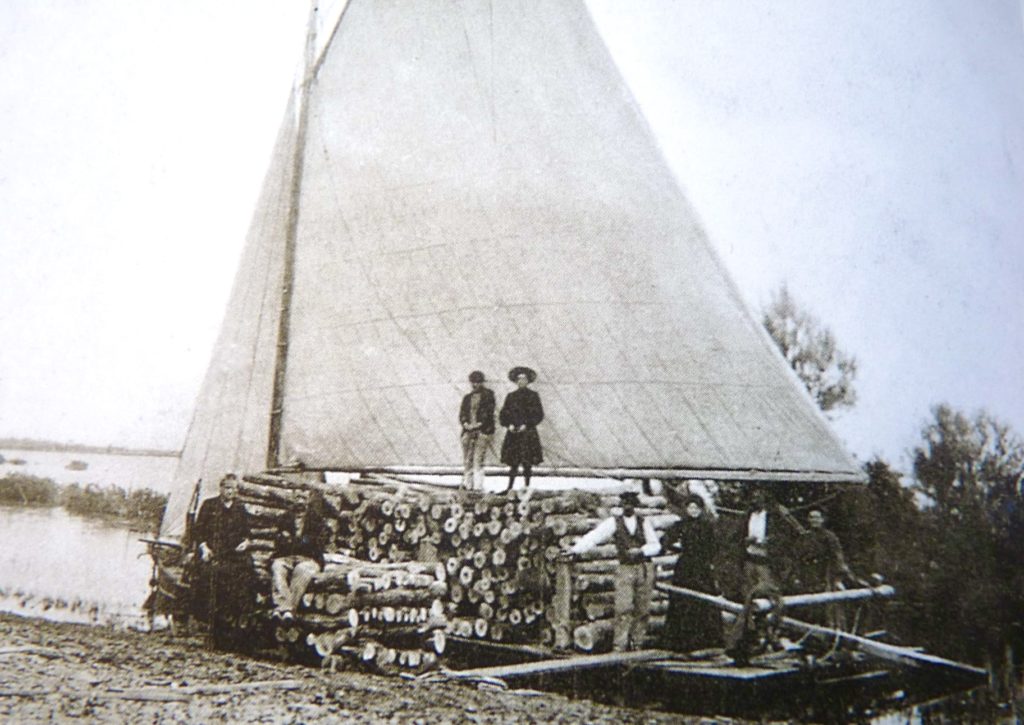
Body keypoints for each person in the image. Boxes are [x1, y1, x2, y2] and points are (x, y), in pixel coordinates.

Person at [567, 491, 662, 651]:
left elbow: (655, 545)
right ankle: (620, 645)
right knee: (623, 608)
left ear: (635, 505)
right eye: (624, 503)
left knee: (643, 609)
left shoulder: (644, 522)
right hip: (625, 568)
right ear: (620, 505)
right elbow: (595, 536)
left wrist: (642, 551)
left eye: (631, 503)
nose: (628, 506)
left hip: (644, 568)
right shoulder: (614, 522)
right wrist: (576, 549)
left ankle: (637, 643)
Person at [190, 473, 254, 646]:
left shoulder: (240, 508)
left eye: (233, 488)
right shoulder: (209, 505)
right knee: (211, 577)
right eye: (227, 488)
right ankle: (210, 625)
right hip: (212, 551)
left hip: (232, 553)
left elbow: (247, 533)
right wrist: (204, 548)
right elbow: (198, 531)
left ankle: (236, 624)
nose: (230, 492)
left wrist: (246, 542)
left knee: (245, 575)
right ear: (221, 488)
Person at [724, 488, 784, 665]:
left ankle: (772, 635)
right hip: (750, 561)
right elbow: (737, 537)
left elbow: (781, 537)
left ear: (764, 500)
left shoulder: (772, 516)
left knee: (769, 597)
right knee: (749, 600)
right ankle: (751, 637)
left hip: (765, 562)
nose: (755, 501)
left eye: (758, 498)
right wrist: (746, 541)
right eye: (753, 498)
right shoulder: (748, 516)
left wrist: (769, 541)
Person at [662, 493, 722, 652]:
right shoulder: (681, 525)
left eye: (696, 508)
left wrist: (708, 561)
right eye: (690, 507)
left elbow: (714, 546)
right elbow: (666, 540)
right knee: (683, 600)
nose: (693, 510)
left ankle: (706, 640)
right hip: (685, 566)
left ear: (701, 509)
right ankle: (682, 642)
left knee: (703, 599)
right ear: (686, 509)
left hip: (701, 567)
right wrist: (670, 548)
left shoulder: (707, 526)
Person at [270, 490, 337, 621]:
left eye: (303, 498)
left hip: (309, 559)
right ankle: (285, 607)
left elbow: (318, 543)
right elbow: (278, 541)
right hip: (287, 557)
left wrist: (293, 541)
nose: (300, 501)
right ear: (293, 499)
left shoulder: (317, 520)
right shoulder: (284, 518)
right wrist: (300, 542)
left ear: (308, 500)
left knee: (301, 571)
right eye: (297, 497)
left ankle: (287, 609)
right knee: (277, 567)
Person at [498, 366, 544, 492]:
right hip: (513, 434)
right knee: (513, 463)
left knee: (527, 462)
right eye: (519, 379)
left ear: (528, 381)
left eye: (524, 379)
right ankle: (510, 487)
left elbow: (539, 415)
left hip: (527, 434)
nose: (521, 381)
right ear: (516, 381)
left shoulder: (533, 396)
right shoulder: (511, 396)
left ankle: (527, 486)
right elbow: (503, 414)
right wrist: (509, 425)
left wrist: (527, 425)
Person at [458, 370, 496, 491]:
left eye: (478, 382)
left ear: (482, 383)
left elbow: (488, 414)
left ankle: (478, 487)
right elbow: (462, 413)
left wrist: (477, 425)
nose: (475, 385)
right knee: (467, 460)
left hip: (483, 431)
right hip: (468, 431)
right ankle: (468, 485)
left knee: (477, 460)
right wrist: (465, 424)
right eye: (473, 382)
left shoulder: (489, 396)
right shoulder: (467, 398)